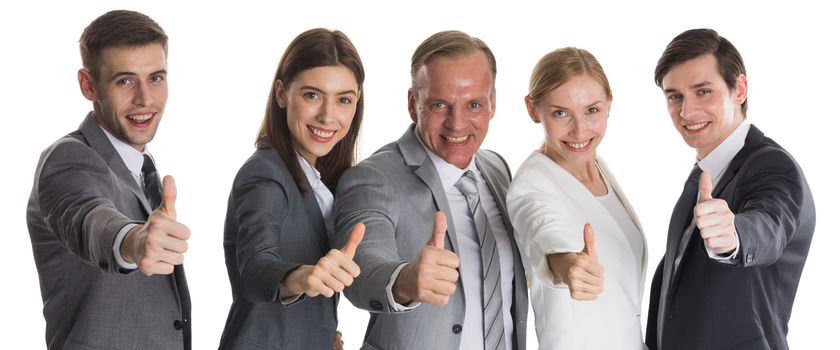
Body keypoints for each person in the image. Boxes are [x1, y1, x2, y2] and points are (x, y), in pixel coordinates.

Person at [332, 30, 528, 350]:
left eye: (474, 104)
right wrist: (404, 280)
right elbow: (360, 267)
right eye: (439, 104)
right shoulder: (373, 177)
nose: (457, 123)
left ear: (493, 104)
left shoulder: (498, 170)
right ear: (413, 103)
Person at [26, 10, 192, 349]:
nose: (146, 99)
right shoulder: (69, 159)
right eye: (125, 81)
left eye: (156, 78)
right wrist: (131, 241)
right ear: (89, 85)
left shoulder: (140, 167)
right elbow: (87, 217)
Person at [645, 28, 816, 350]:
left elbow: (769, 223)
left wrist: (735, 235)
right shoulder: (707, 172)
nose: (687, 112)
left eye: (703, 91)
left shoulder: (772, 166)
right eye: (675, 96)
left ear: (739, 89)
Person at [218, 28, 366, 350]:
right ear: (282, 94)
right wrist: (302, 276)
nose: (328, 116)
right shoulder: (265, 174)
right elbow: (256, 268)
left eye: (343, 99)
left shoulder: (319, 180)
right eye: (312, 95)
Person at [507, 47, 647, 349]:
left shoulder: (597, 168)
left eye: (591, 110)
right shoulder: (532, 185)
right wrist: (568, 265)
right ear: (532, 109)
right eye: (561, 113)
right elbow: (546, 232)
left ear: (609, 104)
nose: (580, 130)